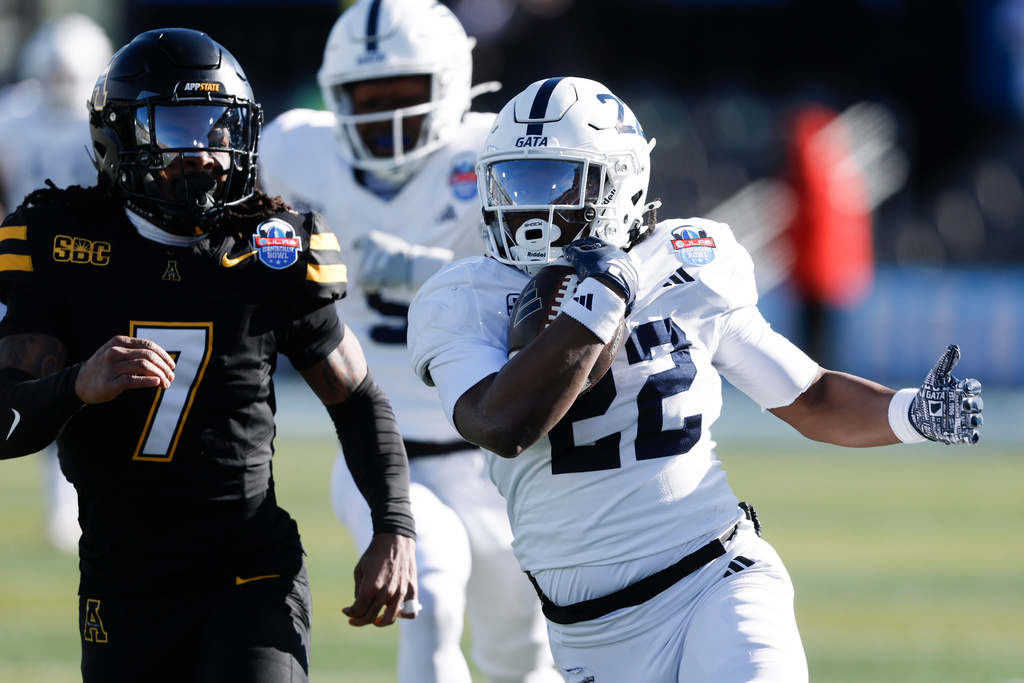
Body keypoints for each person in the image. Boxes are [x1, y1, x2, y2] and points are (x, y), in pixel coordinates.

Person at [407, 76, 984, 682]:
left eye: (554, 182)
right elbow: (499, 424)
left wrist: (910, 414)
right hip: (591, 632)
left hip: (714, 578)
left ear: (620, 181)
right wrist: (600, 300)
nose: (529, 209)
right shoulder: (465, 296)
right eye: (513, 182)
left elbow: (809, 396)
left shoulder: (685, 259)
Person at [0, 28, 417, 682]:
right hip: (122, 583)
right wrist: (76, 384)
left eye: (221, 126)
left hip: (248, 572)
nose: (206, 149)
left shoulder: (272, 247)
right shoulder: (60, 241)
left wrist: (394, 527)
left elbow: (357, 398)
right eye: (181, 125)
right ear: (120, 135)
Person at [257, 1, 559, 681]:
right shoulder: (295, 153)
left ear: (451, 86)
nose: (385, 117)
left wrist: (436, 271)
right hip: (382, 453)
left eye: (404, 94)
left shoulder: (500, 152)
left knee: (524, 653)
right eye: (367, 98)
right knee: (432, 598)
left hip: (498, 453)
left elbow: (555, 288)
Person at [0, 12, 113, 553]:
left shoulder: (101, 116)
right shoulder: (13, 114)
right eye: (56, 73)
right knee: (35, 381)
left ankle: (77, 501)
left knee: (79, 384)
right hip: (25, 265)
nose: (61, 84)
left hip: (87, 264)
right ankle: (64, 505)